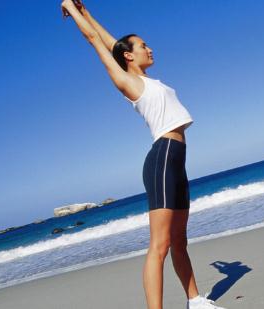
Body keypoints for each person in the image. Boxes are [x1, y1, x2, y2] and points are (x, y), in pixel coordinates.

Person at [61, 1, 225, 308]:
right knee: (159, 245)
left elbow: (110, 40)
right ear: (128, 56)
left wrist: (87, 13)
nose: (149, 49)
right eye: (143, 45)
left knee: (179, 241)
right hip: (162, 158)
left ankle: (195, 301)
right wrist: (71, 7)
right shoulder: (129, 83)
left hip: (176, 159)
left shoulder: (147, 80)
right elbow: (97, 41)